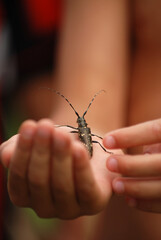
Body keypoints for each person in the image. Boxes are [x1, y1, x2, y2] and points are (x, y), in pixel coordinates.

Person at [1, 0, 161, 239]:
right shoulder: (83, 130)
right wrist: (61, 141)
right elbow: (89, 95)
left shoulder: (81, 131)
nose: (80, 125)